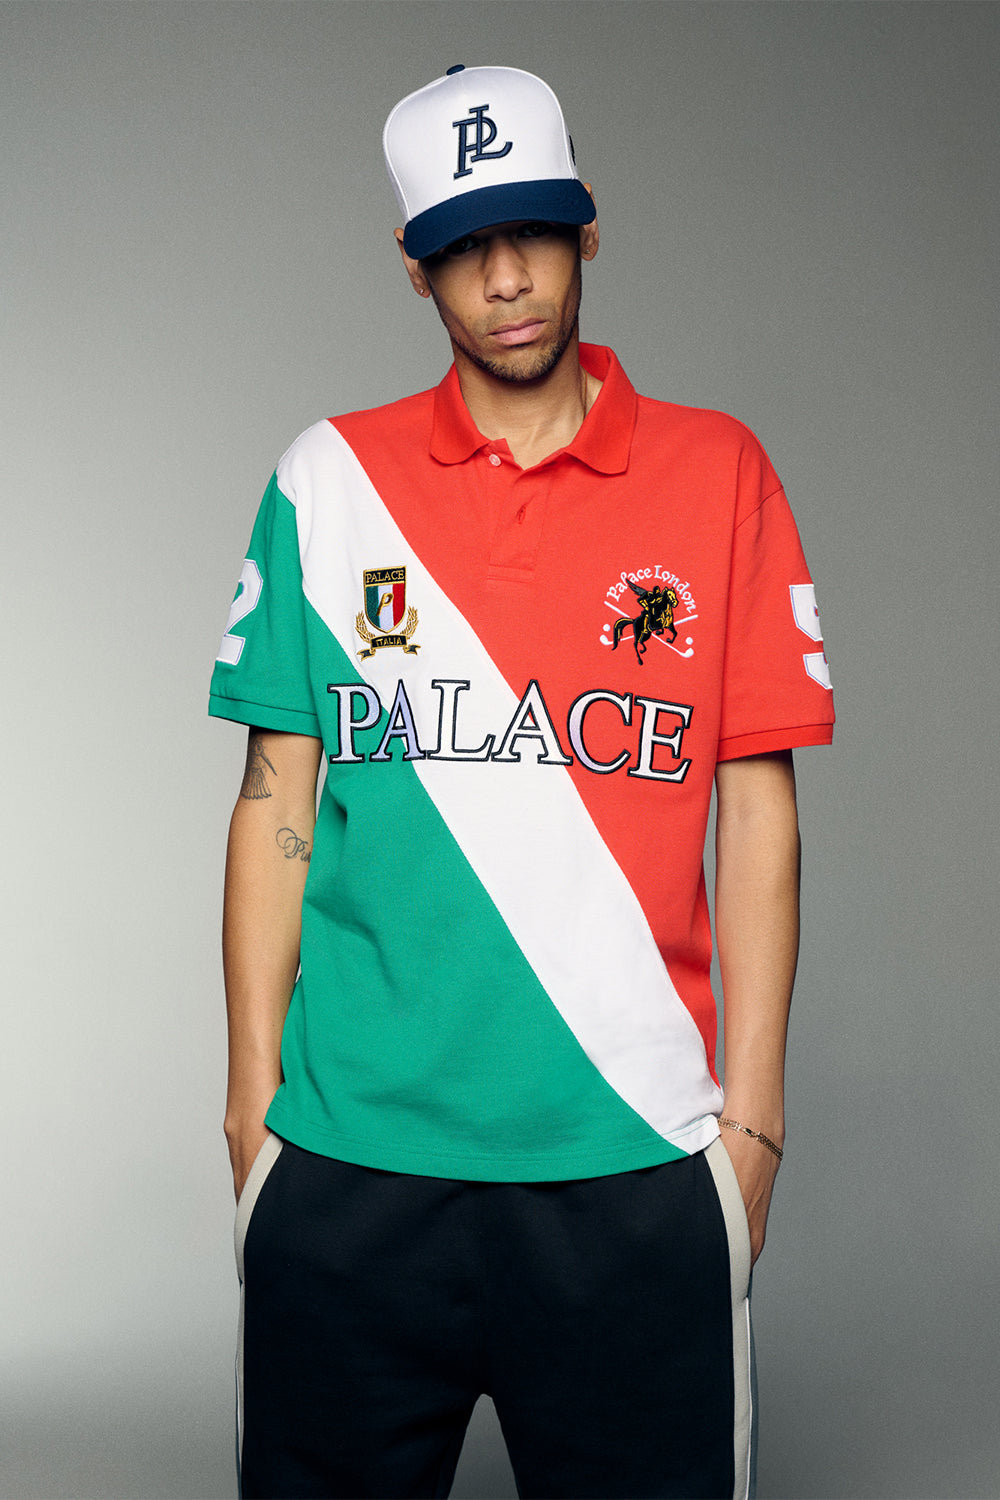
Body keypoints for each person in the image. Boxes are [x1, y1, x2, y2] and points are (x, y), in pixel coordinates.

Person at [209, 63, 834, 1500]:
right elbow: (274, 802)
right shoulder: (327, 481)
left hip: (634, 1165)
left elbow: (758, 811)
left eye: (535, 233)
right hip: (350, 1169)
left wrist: (754, 1127)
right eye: (462, 248)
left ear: (587, 226)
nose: (506, 280)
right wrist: (252, 1117)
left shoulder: (721, 473)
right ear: (413, 265)